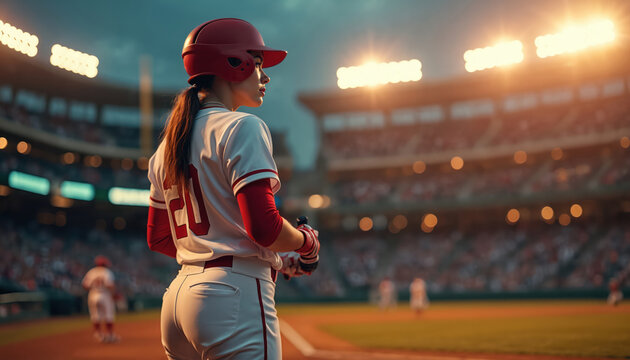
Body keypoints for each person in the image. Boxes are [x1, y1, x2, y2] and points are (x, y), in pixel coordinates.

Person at [146, 18, 320, 360]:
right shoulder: (243, 126)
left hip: (178, 300)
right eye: (257, 64)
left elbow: (159, 239)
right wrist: (306, 242)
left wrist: (272, 259)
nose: (265, 76)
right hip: (231, 298)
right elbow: (264, 228)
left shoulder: (166, 146)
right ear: (233, 63)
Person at [81, 255, 120, 343]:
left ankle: (98, 334)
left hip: (93, 294)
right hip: (105, 294)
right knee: (109, 315)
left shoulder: (91, 272)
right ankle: (110, 335)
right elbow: (110, 285)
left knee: (95, 315)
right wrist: (114, 294)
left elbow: (85, 285)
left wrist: (93, 287)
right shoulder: (106, 272)